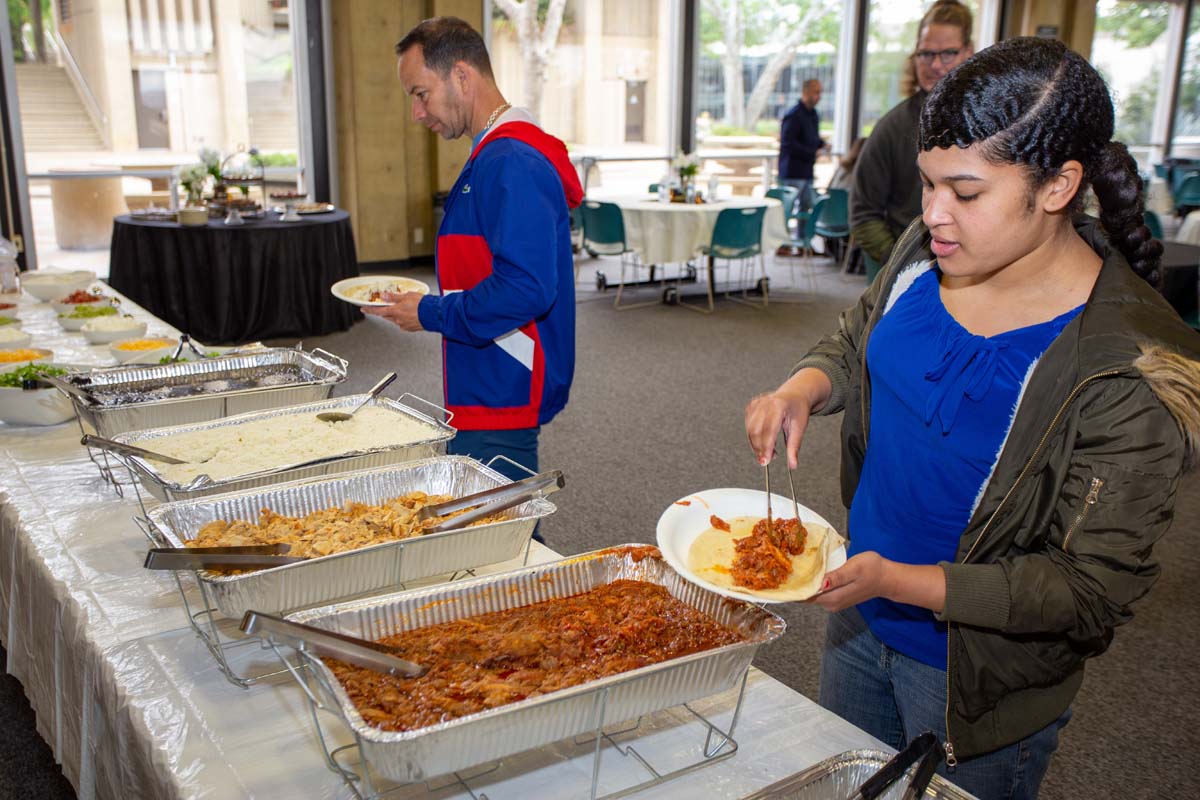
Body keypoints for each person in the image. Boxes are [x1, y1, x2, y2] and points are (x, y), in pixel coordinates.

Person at [745, 37, 1200, 799]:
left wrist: (908, 582)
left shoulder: (1130, 366)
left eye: (966, 191)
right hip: (861, 616)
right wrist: (805, 386)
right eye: (927, 185)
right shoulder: (929, 252)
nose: (932, 214)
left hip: (975, 677)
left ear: (1058, 187)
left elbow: (1090, 588)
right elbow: (860, 332)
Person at [368, 17, 583, 519]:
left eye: (421, 94)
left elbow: (525, 289)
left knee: (500, 536)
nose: (417, 113)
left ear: (462, 76)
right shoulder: (492, 151)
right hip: (485, 372)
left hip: (503, 383)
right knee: (489, 527)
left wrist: (432, 312)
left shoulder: (512, 159)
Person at [850, 0, 972, 267]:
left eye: (948, 53)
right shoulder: (891, 128)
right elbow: (863, 214)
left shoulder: (991, 123)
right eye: (926, 54)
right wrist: (903, 266)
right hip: (915, 269)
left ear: (968, 52)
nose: (936, 65)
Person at [778, 78, 826, 216]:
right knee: (787, 211)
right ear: (806, 92)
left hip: (807, 171)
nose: (819, 96)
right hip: (792, 171)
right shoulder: (793, 115)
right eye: (816, 92)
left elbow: (812, 138)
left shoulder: (813, 115)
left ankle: (803, 237)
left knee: (806, 210)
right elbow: (788, 143)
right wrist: (811, 153)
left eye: (820, 92)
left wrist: (822, 144)